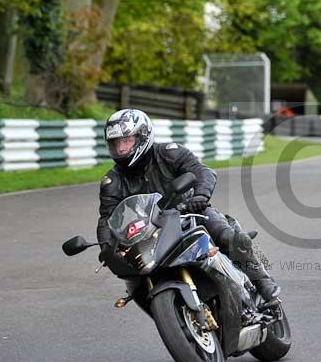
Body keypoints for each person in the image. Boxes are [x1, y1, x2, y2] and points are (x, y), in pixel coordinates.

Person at [96, 109, 281, 302]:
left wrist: (200, 196)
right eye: (116, 144)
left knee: (226, 236)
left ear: (143, 136)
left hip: (190, 213)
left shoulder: (169, 153)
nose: (121, 149)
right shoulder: (112, 181)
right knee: (136, 280)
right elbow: (108, 218)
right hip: (150, 231)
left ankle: (262, 281)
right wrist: (107, 248)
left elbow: (202, 172)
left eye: (126, 141)